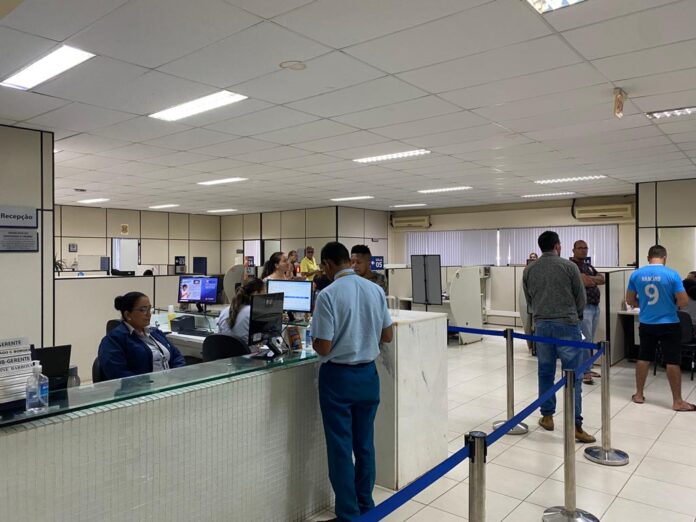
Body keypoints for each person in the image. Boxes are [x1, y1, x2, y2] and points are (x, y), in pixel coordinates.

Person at [311, 242, 393, 522]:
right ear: (348, 260)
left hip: (338, 379)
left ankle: (348, 513)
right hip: (368, 376)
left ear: (327, 264)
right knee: (365, 444)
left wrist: (313, 339)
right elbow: (387, 335)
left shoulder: (327, 295)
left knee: (340, 448)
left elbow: (323, 346)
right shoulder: (375, 290)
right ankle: (366, 505)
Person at [523, 231, 595, 443]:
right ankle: (575, 425)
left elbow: (529, 300)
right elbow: (581, 298)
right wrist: (575, 315)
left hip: (542, 326)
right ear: (557, 246)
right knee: (573, 375)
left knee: (545, 371)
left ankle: (547, 417)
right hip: (567, 326)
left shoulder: (529, 269)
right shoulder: (569, 267)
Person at [626, 245, 691, 411]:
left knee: (643, 357)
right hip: (669, 323)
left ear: (648, 258)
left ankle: (639, 394)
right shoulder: (672, 274)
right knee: (672, 361)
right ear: (664, 258)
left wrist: (644, 304)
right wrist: (670, 304)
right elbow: (684, 301)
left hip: (647, 323)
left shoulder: (636, 274)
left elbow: (630, 300)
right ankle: (677, 401)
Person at [99, 292, 185, 380]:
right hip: (143, 387)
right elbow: (118, 375)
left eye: (149, 309)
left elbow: (176, 356)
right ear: (128, 315)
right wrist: (149, 385)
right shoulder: (113, 340)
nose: (149, 314)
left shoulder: (155, 332)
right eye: (143, 310)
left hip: (170, 384)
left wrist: (176, 376)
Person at [570, 240, 605, 385]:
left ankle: (588, 368)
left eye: (585, 248)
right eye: (580, 248)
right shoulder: (571, 266)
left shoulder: (588, 266)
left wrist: (590, 279)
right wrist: (590, 280)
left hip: (594, 307)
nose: (583, 250)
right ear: (573, 250)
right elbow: (582, 281)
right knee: (585, 340)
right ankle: (584, 371)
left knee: (589, 340)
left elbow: (602, 279)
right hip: (583, 308)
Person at [216, 277, 265, 350]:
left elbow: (219, 336)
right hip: (247, 356)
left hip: (225, 355)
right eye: (264, 293)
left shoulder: (225, 311)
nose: (265, 296)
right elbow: (263, 340)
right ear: (256, 293)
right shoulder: (255, 313)